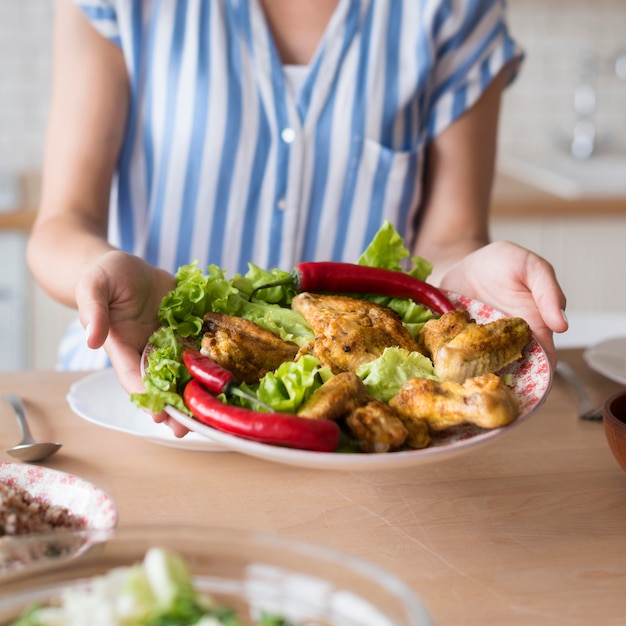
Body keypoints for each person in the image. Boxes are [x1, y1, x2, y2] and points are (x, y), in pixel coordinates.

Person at [28, 0, 568, 436]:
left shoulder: (453, 13)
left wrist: (464, 281)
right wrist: (99, 272)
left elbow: (451, 238)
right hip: (140, 405)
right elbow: (61, 226)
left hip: (357, 432)